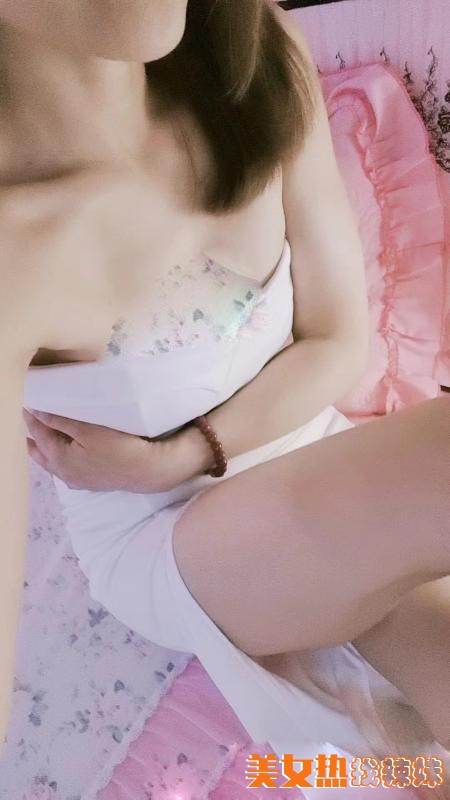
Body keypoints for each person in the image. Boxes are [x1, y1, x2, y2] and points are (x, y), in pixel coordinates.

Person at [1, 0, 449, 789]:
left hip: (307, 439)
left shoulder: (255, 56)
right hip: (163, 540)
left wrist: (178, 454)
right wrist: (163, 478)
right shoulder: (16, 247)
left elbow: (335, 340)